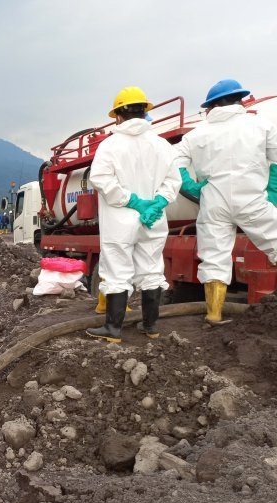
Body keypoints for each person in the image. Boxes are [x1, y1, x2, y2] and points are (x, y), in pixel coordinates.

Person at [175, 79, 277, 324]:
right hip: (251, 198)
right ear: (240, 100)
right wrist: (271, 193)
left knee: (214, 257)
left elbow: (174, 165)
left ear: (211, 106)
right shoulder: (260, 125)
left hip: (213, 202)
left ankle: (214, 314)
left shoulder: (196, 134)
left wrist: (192, 187)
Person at [85, 86, 181, 343]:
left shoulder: (110, 146)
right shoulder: (162, 145)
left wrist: (133, 201)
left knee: (117, 269)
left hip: (120, 221)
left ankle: (113, 330)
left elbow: (101, 180)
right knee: (152, 269)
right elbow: (174, 181)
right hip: (153, 219)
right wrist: (155, 204)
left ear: (117, 115)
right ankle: (150, 326)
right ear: (144, 112)